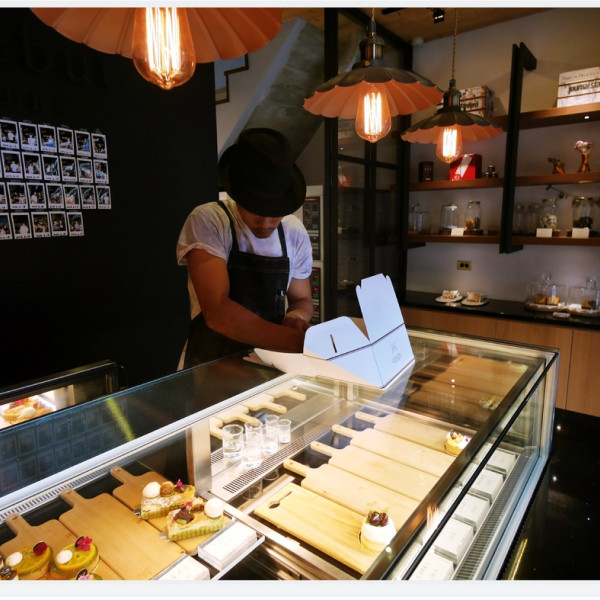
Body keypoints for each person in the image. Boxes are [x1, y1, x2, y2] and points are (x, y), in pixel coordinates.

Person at [176, 128, 314, 369]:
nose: (266, 223)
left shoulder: (294, 232)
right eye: (256, 210)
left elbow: (302, 298)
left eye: (276, 212)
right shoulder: (210, 221)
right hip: (211, 366)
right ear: (237, 195)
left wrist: (295, 317)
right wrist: (297, 342)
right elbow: (218, 311)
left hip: (269, 364)